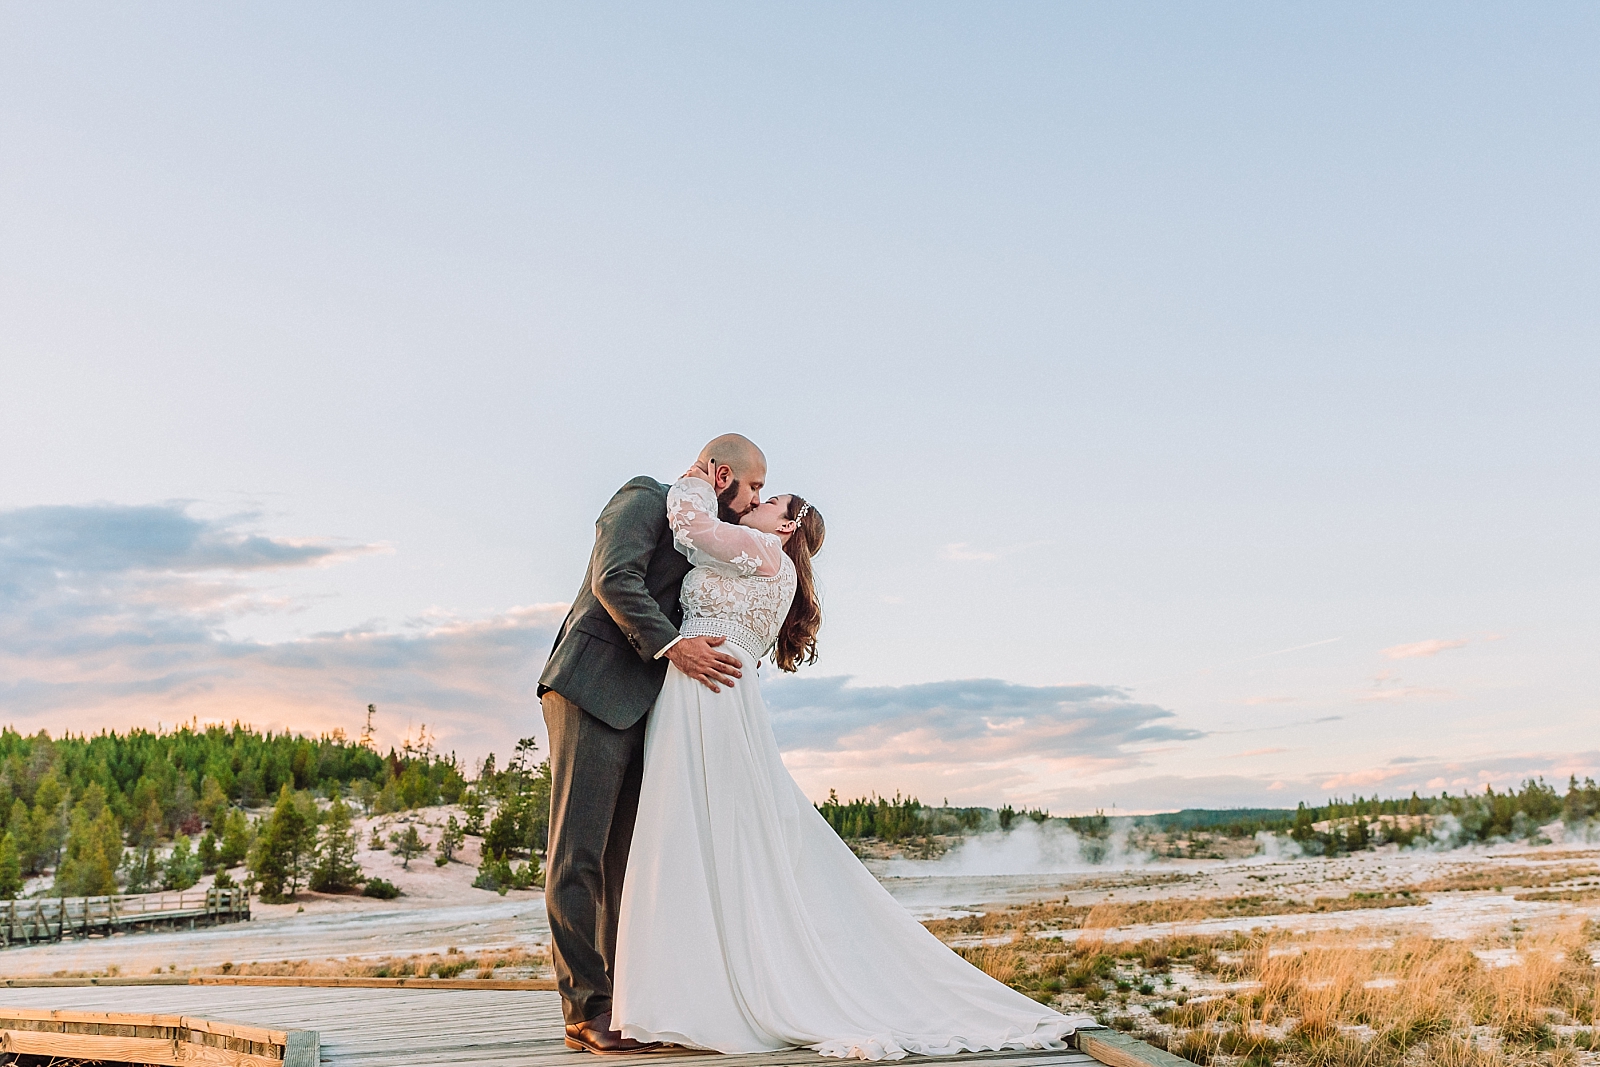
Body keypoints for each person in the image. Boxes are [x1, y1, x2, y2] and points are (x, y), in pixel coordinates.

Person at [611, 462, 1092, 1059]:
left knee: (709, 830)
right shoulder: (764, 557)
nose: (756, 501)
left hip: (711, 688)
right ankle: (699, 988)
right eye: (757, 492)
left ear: (787, 527)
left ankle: (722, 992)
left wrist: (695, 480)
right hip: (707, 686)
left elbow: (688, 528)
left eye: (769, 499)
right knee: (701, 831)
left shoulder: (764, 552)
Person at [537, 434, 768, 1055]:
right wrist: (674, 646)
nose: (754, 503)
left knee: (627, 864)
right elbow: (614, 578)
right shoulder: (645, 497)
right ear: (722, 475)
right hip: (593, 686)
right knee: (578, 853)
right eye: (753, 488)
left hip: (649, 707)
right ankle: (585, 1011)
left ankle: (628, 1005)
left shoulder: (704, 536)